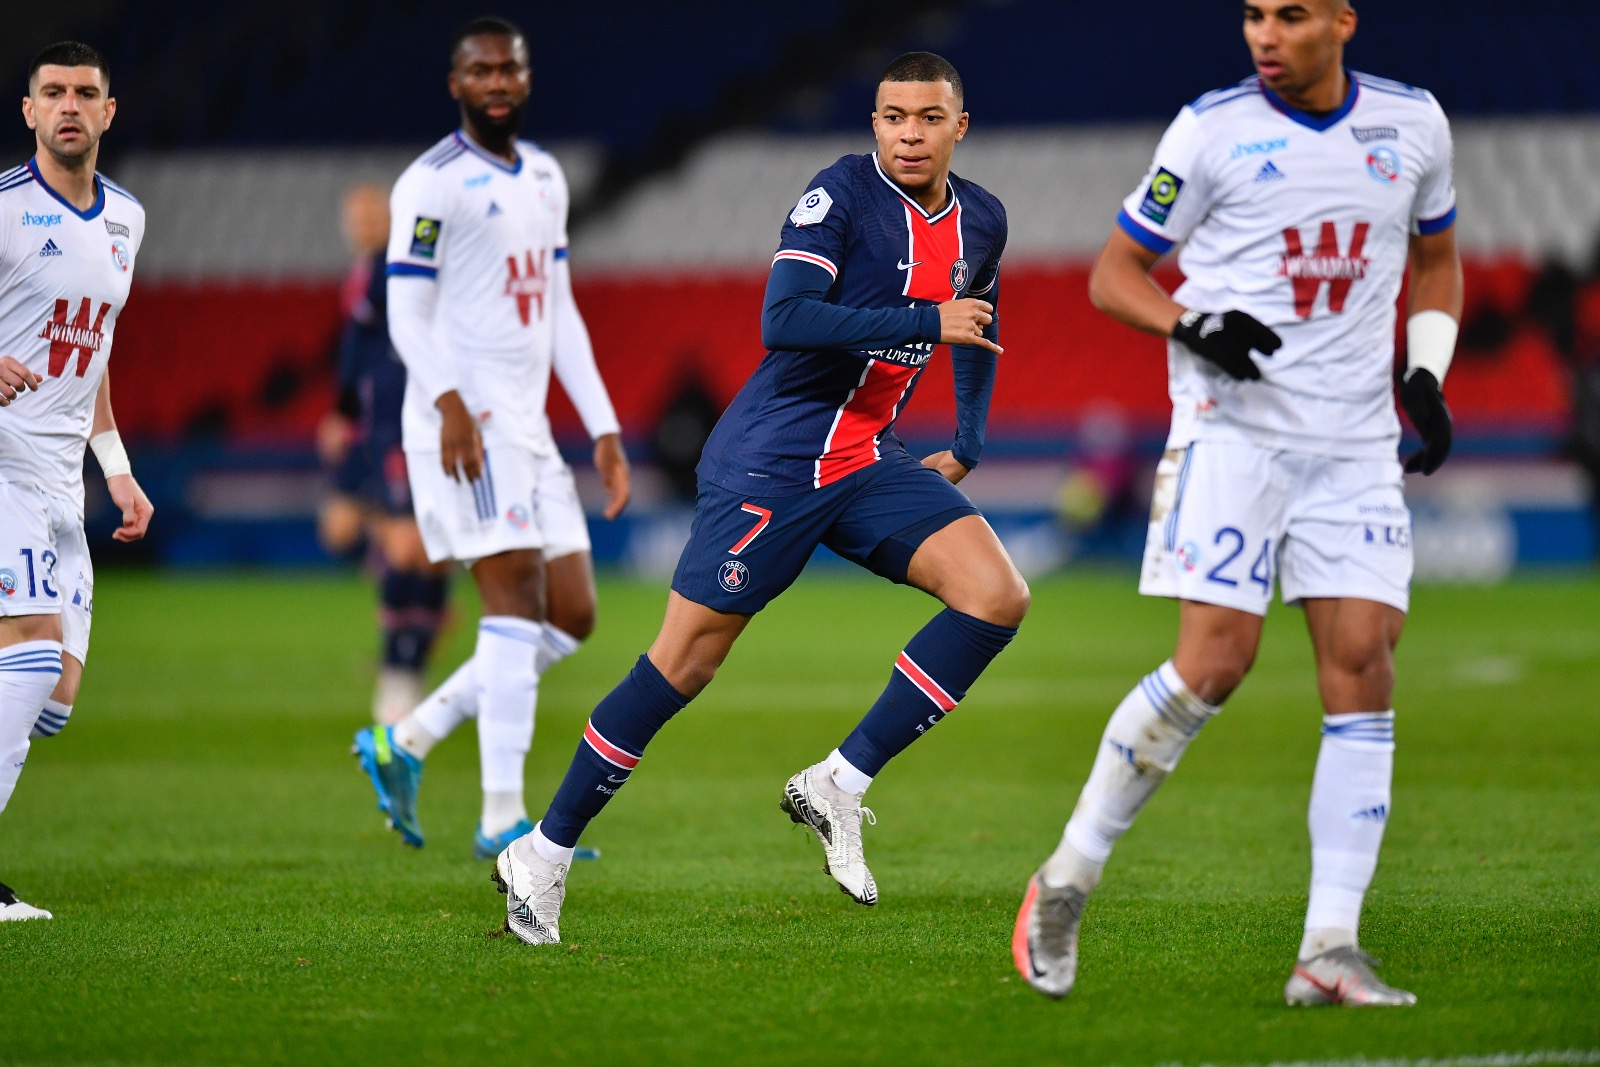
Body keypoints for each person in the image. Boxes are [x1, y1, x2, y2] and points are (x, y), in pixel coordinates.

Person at [492, 51, 1029, 946]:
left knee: (996, 596)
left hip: (865, 458)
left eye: (928, 118)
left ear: (957, 127)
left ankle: (839, 783)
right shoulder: (840, 196)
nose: (908, 133)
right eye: (893, 116)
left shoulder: (983, 218)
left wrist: (968, 440)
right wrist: (917, 321)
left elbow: (979, 314)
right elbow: (784, 319)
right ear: (874, 124)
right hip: (772, 461)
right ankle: (540, 855)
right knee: (683, 665)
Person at [1012, 0, 1461, 1006]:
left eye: (1289, 15)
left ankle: (1328, 946)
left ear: (1341, 20)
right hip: (1233, 432)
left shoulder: (1413, 126)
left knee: (1364, 667)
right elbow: (1111, 273)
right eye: (1253, 14)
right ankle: (1067, 874)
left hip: (1351, 444)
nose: (1264, 33)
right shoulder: (1210, 130)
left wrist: (1425, 372)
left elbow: (1434, 261)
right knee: (1214, 660)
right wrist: (1194, 322)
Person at [354, 17, 630, 863]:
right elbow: (405, 308)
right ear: (456, 85)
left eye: (509, 68)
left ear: (526, 77)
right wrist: (447, 405)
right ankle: (503, 818)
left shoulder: (545, 176)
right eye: (481, 71)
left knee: (572, 613)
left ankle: (409, 737)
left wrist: (605, 424)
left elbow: (561, 309)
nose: (497, 81)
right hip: (465, 423)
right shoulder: (430, 184)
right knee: (513, 604)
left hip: (530, 426)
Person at [0, 41, 153, 921]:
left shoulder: (127, 220)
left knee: (49, 697)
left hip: (63, 478)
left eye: (83, 93)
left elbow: (91, 354)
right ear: (28, 113)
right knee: (24, 655)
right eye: (51, 92)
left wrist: (118, 471)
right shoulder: (8, 210)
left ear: (107, 111)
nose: (67, 105)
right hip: (5, 460)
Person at [318, 184, 452, 726]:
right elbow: (358, 348)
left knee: (412, 545)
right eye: (357, 215)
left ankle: (402, 676)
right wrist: (347, 413)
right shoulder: (367, 273)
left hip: (406, 421)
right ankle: (417, 645)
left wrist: (346, 410)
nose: (365, 223)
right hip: (380, 426)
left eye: (373, 213)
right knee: (366, 534)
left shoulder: (394, 270)